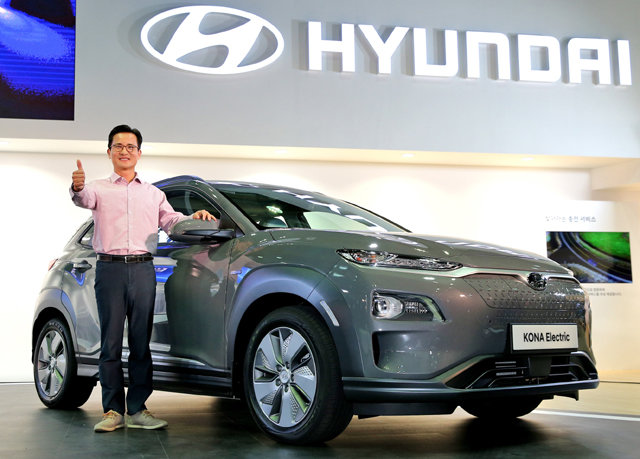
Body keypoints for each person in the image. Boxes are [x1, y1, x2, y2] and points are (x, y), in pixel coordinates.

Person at [70, 124, 215, 432]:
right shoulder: (97, 188)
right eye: (118, 146)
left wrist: (194, 217)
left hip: (143, 270)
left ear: (139, 153)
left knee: (140, 341)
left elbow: (172, 220)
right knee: (110, 342)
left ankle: (137, 409)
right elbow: (82, 199)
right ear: (109, 152)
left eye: (130, 147)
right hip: (110, 269)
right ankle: (112, 411)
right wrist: (77, 187)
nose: (124, 151)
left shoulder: (153, 194)